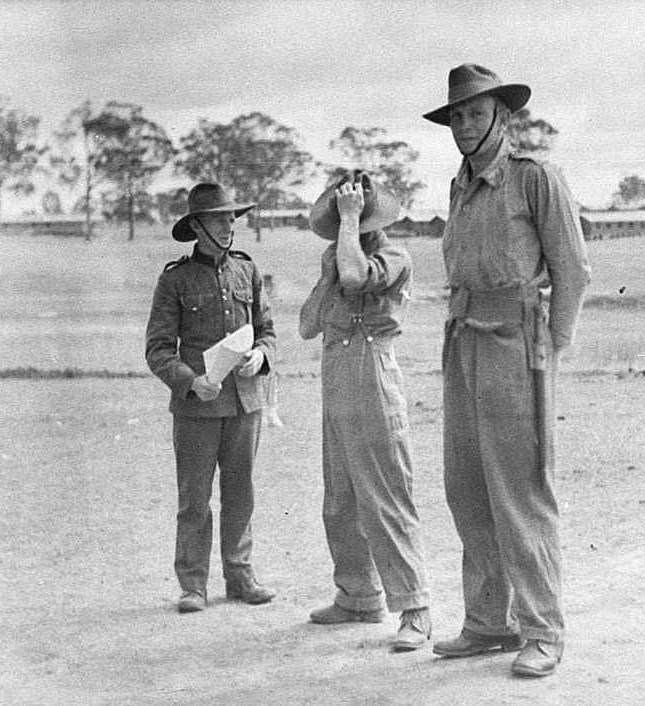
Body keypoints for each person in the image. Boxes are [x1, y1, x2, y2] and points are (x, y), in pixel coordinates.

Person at [422, 63, 591, 677]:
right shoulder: (459, 185)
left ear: (502, 115)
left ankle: (543, 630)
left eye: (475, 113)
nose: (465, 125)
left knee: (520, 491)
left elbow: (572, 270)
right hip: (462, 339)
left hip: (515, 344)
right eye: (457, 116)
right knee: (466, 487)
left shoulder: (534, 178)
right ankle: (490, 622)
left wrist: (552, 346)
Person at [298, 170, 432, 652]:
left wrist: (349, 231)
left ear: (369, 218)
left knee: (385, 492)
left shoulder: (394, 255)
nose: (343, 226)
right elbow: (307, 326)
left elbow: (358, 276)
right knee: (341, 494)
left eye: (351, 217)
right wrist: (326, 276)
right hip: (335, 369)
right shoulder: (334, 256)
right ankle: (358, 594)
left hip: (372, 366)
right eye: (340, 218)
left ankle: (415, 606)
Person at [145, 182, 277, 613]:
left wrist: (261, 354)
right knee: (195, 498)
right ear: (197, 226)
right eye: (219, 219)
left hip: (245, 403)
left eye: (232, 218)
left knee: (241, 492)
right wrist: (190, 380)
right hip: (197, 406)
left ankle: (240, 577)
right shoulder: (175, 280)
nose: (229, 226)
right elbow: (158, 349)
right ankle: (193, 585)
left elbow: (267, 330)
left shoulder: (248, 271)